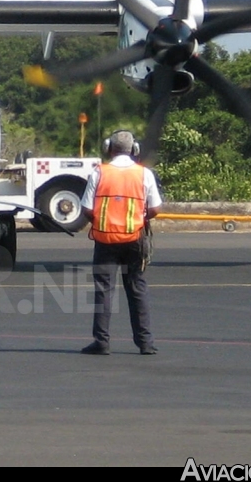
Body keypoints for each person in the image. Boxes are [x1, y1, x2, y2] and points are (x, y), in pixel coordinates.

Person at [79, 129, 162, 355]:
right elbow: (155, 208)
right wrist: (138, 218)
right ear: (134, 150)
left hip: (105, 240)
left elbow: (86, 208)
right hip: (135, 238)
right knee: (137, 288)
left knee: (104, 291)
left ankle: (102, 342)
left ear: (109, 148)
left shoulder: (99, 173)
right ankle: (145, 343)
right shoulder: (144, 174)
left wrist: (102, 221)